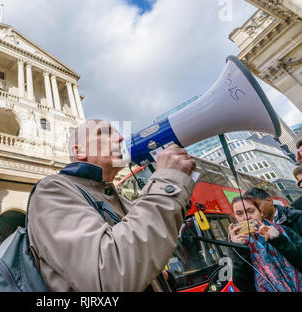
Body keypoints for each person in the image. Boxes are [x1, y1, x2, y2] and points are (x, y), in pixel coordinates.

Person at [27, 119, 197, 291]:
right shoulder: (52, 189)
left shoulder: (121, 200)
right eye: (105, 132)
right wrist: (167, 180)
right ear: (79, 151)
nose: (121, 138)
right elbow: (108, 275)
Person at [228, 195, 302, 292]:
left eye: (251, 211)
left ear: (261, 213)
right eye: (239, 214)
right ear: (235, 218)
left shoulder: (283, 231)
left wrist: (279, 239)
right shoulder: (236, 245)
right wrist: (240, 249)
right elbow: (243, 285)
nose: (246, 217)